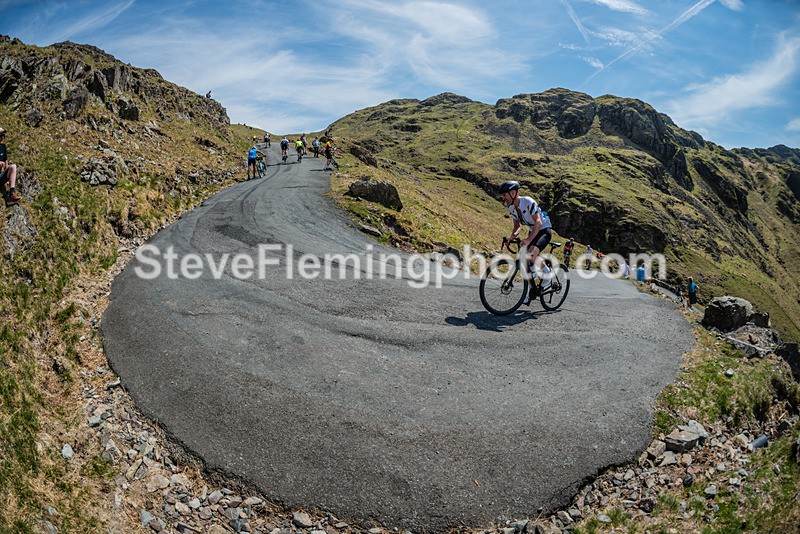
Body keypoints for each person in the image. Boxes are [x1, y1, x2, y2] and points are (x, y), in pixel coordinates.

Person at [497, 180, 552, 304]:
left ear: (513, 193)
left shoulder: (528, 202)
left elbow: (538, 222)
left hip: (543, 230)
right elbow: (517, 227)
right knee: (524, 264)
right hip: (533, 231)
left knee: (531, 255)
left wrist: (528, 240)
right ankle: (531, 291)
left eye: (504, 195)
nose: (503, 198)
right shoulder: (512, 208)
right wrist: (511, 238)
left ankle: (547, 274)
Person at [0, 127, 21, 207]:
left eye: (3, 136)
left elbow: (6, 161)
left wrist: (8, 177)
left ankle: (12, 193)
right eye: (0, 136)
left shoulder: (3, 147)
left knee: (13, 167)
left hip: (1, 176)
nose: (2, 138)